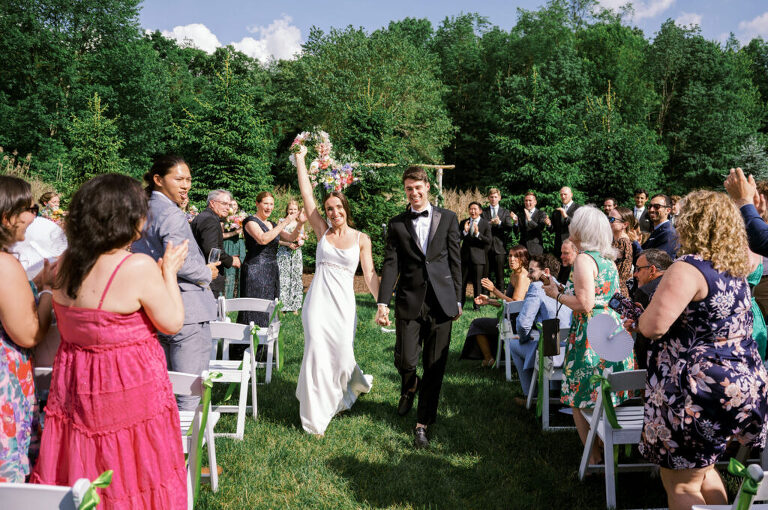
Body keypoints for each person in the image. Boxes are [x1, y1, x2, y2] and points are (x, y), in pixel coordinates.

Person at [30, 174, 188, 509]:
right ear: (127, 219)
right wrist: (169, 272)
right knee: (134, 464)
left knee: (85, 458)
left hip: (76, 383)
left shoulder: (64, 265)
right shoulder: (137, 266)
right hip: (127, 386)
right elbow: (172, 323)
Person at [627, 190, 768, 510]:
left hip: (696, 389)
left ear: (689, 224)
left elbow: (653, 327)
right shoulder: (736, 268)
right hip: (739, 386)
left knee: (681, 482)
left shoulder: (688, 267)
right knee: (704, 472)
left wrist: (637, 319)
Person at [376, 166, 462, 449]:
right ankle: (410, 383)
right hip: (409, 300)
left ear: (428, 186)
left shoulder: (448, 218)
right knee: (406, 360)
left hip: (441, 302)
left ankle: (422, 425)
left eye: (418, 187)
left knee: (434, 366)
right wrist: (382, 302)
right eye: (408, 189)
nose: (414, 193)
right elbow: (391, 264)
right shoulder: (397, 224)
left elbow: (455, 261)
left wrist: (458, 298)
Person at [542, 205, 635, 466]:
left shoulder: (583, 259)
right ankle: (607, 453)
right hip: (611, 329)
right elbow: (608, 299)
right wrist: (560, 288)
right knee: (607, 397)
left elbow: (584, 303)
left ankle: (594, 459)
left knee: (577, 396)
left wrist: (556, 296)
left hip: (591, 333)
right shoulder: (607, 261)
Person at [294, 147, 377, 436]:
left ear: (346, 209)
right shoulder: (322, 231)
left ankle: (348, 389)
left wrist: (382, 305)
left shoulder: (361, 239)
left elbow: (369, 275)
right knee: (316, 350)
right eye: (329, 209)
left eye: (338, 208)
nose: (334, 213)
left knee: (342, 356)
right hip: (317, 301)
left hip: (344, 305)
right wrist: (301, 160)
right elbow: (307, 196)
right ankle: (314, 417)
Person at [131, 154, 218, 411]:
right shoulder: (171, 213)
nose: (185, 185)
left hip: (153, 306)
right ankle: (189, 451)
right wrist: (206, 272)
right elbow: (177, 258)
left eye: (188, 179)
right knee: (189, 390)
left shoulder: (141, 209)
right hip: (187, 308)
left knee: (161, 389)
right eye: (179, 179)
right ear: (158, 180)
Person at [0, 176, 54, 482]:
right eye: (26, 210)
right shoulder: (5, 264)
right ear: (6, 217)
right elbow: (29, 333)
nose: (31, 217)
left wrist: (29, 287)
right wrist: (46, 291)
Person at [239, 191, 305, 327]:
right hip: (255, 270)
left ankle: (265, 345)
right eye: (266, 203)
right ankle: (246, 344)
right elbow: (263, 239)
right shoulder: (250, 221)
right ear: (257, 204)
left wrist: (300, 223)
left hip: (272, 270)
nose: (269, 207)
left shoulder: (273, 224)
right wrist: (286, 221)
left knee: (269, 308)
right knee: (253, 308)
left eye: (271, 204)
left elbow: (291, 238)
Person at [460, 245, 531, 367]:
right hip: (509, 318)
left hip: (516, 323)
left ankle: (489, 358)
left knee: (477, 324)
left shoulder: (522, 276)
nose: (511, 259)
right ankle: (491, 358)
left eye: (516, 256)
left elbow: (515, 303)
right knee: (479, 323)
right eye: (510, 256)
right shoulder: (514, 275)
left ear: (523, 259)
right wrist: (489, 301)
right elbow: (506, 303)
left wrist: (494, 290)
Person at [190, 189, 241, 297]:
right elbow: (212, 250)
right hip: (208, 276)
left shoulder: (203, 217)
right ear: (212, 203)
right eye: (224, 204)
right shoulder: (210, 220)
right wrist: (231, 260)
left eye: (229, 204)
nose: (228, 207)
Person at [630, 249, 672, 369]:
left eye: (638, 269)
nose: (635, 274)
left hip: (653, 359)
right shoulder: (675, 285)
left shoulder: (645, 291)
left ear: (652, 270)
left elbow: (644, 336)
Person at [459, 202, 491, 310]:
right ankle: (460, 305)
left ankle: (477, 306)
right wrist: (464, 231)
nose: (473, 211)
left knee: (477, 284)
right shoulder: (464, 222)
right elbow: (457, 238)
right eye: (471, 209)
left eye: (475, 209)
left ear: (480, 211)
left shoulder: (485, 224)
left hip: (478, 258)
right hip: (465, 257)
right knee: (462, 283)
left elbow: (488, 241)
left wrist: (478, 234)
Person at [481, 188, 514, 289]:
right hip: (486, 247)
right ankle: (485, 297)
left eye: (495, 197)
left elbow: (509, 227)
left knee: (500, 275)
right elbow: (480, 226)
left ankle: (500, 298)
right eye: (491, 197)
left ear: (499, 198)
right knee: (485, 274)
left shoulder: (505, 212)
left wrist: (499, 223)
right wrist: (490, 223)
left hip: (500, 247)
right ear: (488, 198)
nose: (493, 199)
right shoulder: (483, 212)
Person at [277, 200, 306, 314]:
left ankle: (295, 306)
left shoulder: (300, 222)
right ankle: (283, 306)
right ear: (287, 210)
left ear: (298, 211)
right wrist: (288, 244)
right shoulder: (281, 221)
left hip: (296, 254)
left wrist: (301, 242)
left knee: (296, 278)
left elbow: (302, 236)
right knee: (283, 278)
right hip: (284, 253)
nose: (292, 211)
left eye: (295, 209)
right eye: (290, 209)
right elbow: (277, 240)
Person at [544, 186, 580, 257]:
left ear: (571, 195)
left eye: (565, 194)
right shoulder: (557, 211)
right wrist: (548, 224)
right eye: (561, 194)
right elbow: (553, 230)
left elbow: (578, 226)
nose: (563, 196)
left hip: (573, 246)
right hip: (559, 248)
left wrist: (566, 217)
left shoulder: (579, 209)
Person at [641, 194, 679, 258]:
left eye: (657, 206)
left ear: (668, 210)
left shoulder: (669, 233)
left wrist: (634, 242)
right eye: (650, 206)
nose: (651, 210)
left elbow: (656, 261)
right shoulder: (658, 229)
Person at [222, 200, 246, 299]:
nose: (233, 206)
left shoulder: (243, 218)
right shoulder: (224, 218)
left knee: (241, 270)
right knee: (229, 272)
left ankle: (239, 298)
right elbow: (221, 235)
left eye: (235, 204)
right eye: (231, 204)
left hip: (240, 244)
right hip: (228, 244)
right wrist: (235, 232)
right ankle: (227, 298)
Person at [608, 207, 634, 297]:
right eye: (608, 218)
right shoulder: (617, 240)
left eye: (612, 219)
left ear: (625, 224)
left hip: (615, 292)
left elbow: (614, 272)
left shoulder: (622, 242)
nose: (609, 222)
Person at [513, 191, 547, 256]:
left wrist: (530, 220)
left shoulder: (541, 214)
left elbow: (540, 228)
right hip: (523, 249)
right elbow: (516, 232)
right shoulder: (521, 215)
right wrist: (516, 223)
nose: (528, 203)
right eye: (526, 200)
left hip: (536, 249)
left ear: (535, 202)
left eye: (530, 200)